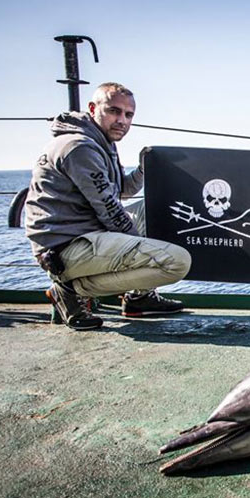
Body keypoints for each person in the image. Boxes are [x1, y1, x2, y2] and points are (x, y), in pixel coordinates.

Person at [25, 82, 191, 330]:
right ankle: (70, 289)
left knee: (152, 209)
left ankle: (139, 297)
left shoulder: (100, 142)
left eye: (128, 114)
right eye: (114, 111)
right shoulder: (79, 147)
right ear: (93, 108)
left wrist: (143, 168)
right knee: (177, 262)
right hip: (64, 249)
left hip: (86, 233)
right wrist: (142, 245)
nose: (122, 120)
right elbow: (110, 211)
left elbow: (121, 190)